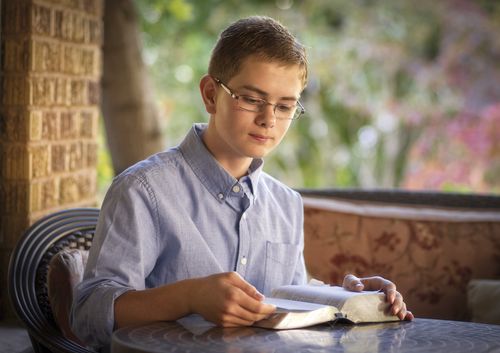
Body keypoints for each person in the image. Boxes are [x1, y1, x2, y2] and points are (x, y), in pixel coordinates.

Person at [71, 15, 413, 350]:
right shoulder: (143, 190)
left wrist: (346, 298)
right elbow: (88, 314)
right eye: (251, 99)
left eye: (285, 106)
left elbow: (286, 303)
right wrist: (188, 296)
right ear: (210, 95)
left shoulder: (286, 203)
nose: (268, 119)